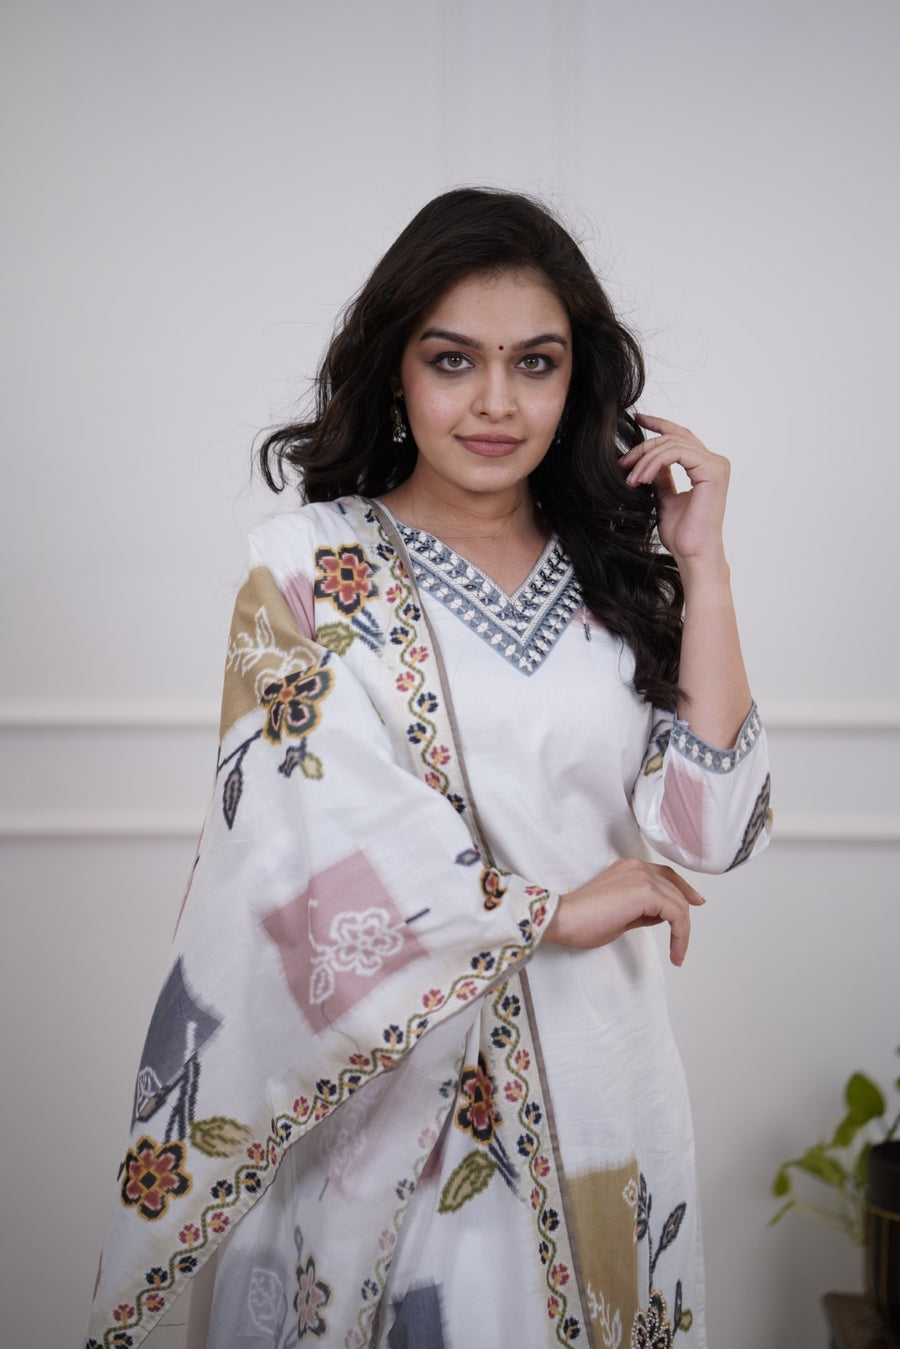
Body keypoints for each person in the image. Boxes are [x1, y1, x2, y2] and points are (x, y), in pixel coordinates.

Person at [87, 188, 771, 1349]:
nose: (496, 401)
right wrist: (547, 909)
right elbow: (294, 854)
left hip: (598, 1091)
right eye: (453, 360)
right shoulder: (310, 572)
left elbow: (710, 832)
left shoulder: (616, 577)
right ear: (396, 371)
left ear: (578, 382)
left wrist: (701, 565)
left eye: (535, 363)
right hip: (380, 1103)